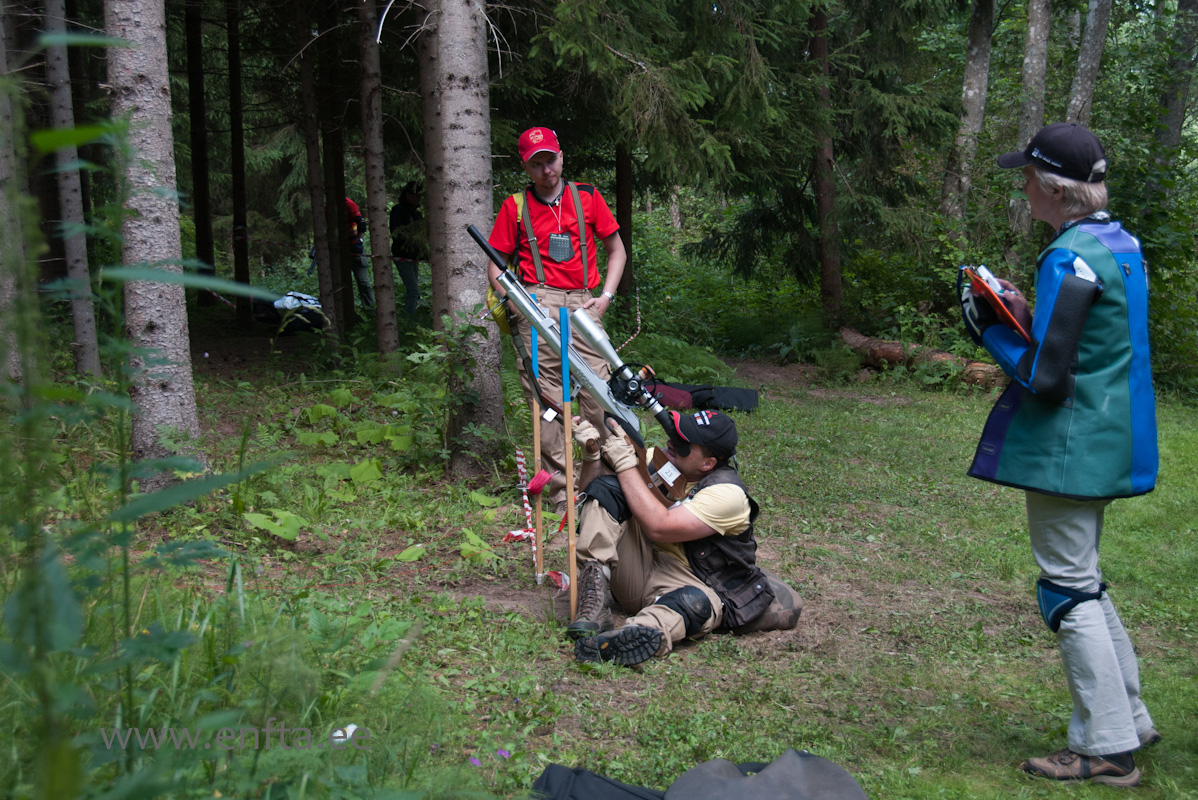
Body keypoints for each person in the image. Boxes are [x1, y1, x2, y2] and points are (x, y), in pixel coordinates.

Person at [960, 122, 1159, 788]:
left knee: (1067, 588)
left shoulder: (1068, 255)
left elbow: (1047, 376)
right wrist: (1021, 310)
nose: (1023, 189)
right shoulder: (1118, 243)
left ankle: (1106, 747)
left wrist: (989, 329)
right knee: (1085, 579)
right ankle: (1130, 720)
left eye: (1026, 178)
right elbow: (1084, 342)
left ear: (1052, 189)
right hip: (1111, 436)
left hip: (1072, 447)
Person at [487, 127, 627, 516]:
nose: (546, 169)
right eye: (537, 164)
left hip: (585, 304)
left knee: (599, 395)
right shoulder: (514, 207)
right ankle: (562, 494)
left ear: (561, 157)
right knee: (547, 402)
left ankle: (601, 486)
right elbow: (495, 265)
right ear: (525, 167)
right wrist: (514, 302)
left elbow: (616, 250)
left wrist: (606, 297)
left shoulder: (588, 197)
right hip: (537, 302)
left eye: (550, 160)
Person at [566, 410, 776, 666]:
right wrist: (591, 457)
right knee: (607, 489)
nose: (671, 443)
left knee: (694, 603)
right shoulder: (655, 459)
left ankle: (633, 635)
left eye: (684, 443)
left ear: (708, 463)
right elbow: (593, 494)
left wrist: (624, 465)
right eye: (675, 434)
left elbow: (660, 527)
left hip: (692, 581)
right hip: (641, 567)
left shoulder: (728, 495)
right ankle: (593, 604)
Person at [389, 182, 423, 315]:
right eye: (416, 196)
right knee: (413, 291)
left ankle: (411, 315)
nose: (418, 199)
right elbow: (396, 233)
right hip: (403, 255)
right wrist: (411, 236)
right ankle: (409, 318)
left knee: (414, 290)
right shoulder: (398, 211)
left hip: (414, 255)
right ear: (408, 195)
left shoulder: (415, 213)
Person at [345, 196, 375, 308]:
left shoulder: (349, 204)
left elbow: (361, 224)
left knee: (363, 281)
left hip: (354, 246)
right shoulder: (327, 207)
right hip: (339, 249)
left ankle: (370, 308)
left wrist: (359, 240)